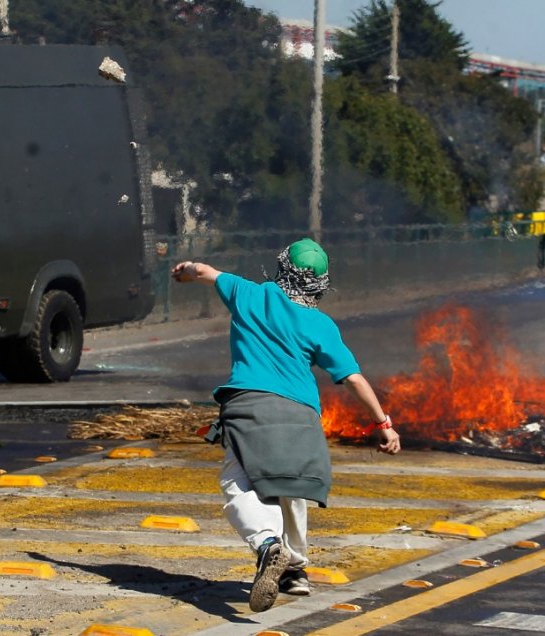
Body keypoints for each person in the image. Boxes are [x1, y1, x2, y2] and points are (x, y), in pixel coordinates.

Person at [171, 238, 401, 613]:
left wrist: (185, 271)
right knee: (291, 488)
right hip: (302, 416)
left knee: (236, 483)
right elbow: (354, 379)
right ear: (320, 283)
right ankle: (295, 571)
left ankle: (267, 544)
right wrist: (384, 424)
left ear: (282, 269)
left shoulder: (249, 294)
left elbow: (205, 273)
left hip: (249, 408)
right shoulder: (321, 325)